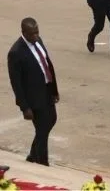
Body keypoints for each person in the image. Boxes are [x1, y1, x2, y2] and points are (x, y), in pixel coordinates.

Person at [7, 18, 59, 166]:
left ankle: (33, 155)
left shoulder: (38, 40)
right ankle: (42, 162)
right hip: (34, 98)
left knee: (51, 120)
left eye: (37, 32)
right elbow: (16, 83)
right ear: (23, 32)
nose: (36, 36)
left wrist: (54, 90)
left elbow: (47, 64)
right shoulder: (16, 52)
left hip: (47, 91)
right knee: (42, 129)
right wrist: (24, 107)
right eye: (32, 34)